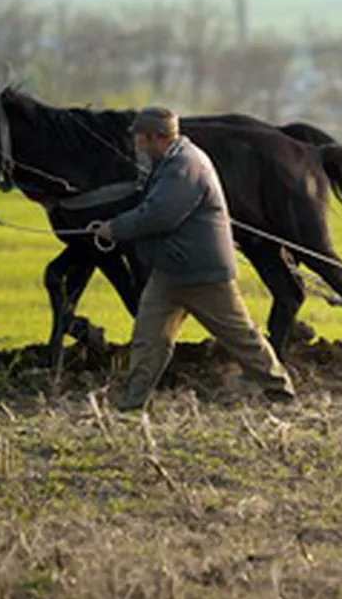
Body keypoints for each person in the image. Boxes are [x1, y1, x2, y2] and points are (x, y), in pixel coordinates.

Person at [94, 106, 296, 411]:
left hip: (204, 275)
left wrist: (114, 228)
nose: (135, 142)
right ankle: (133, 403)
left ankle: (280, 391)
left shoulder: (185, 166)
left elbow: (159, 215)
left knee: (241, 337)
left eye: (139, 136)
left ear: (155, 137)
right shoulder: (168, 162)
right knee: (148, 341)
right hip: (169, 273)